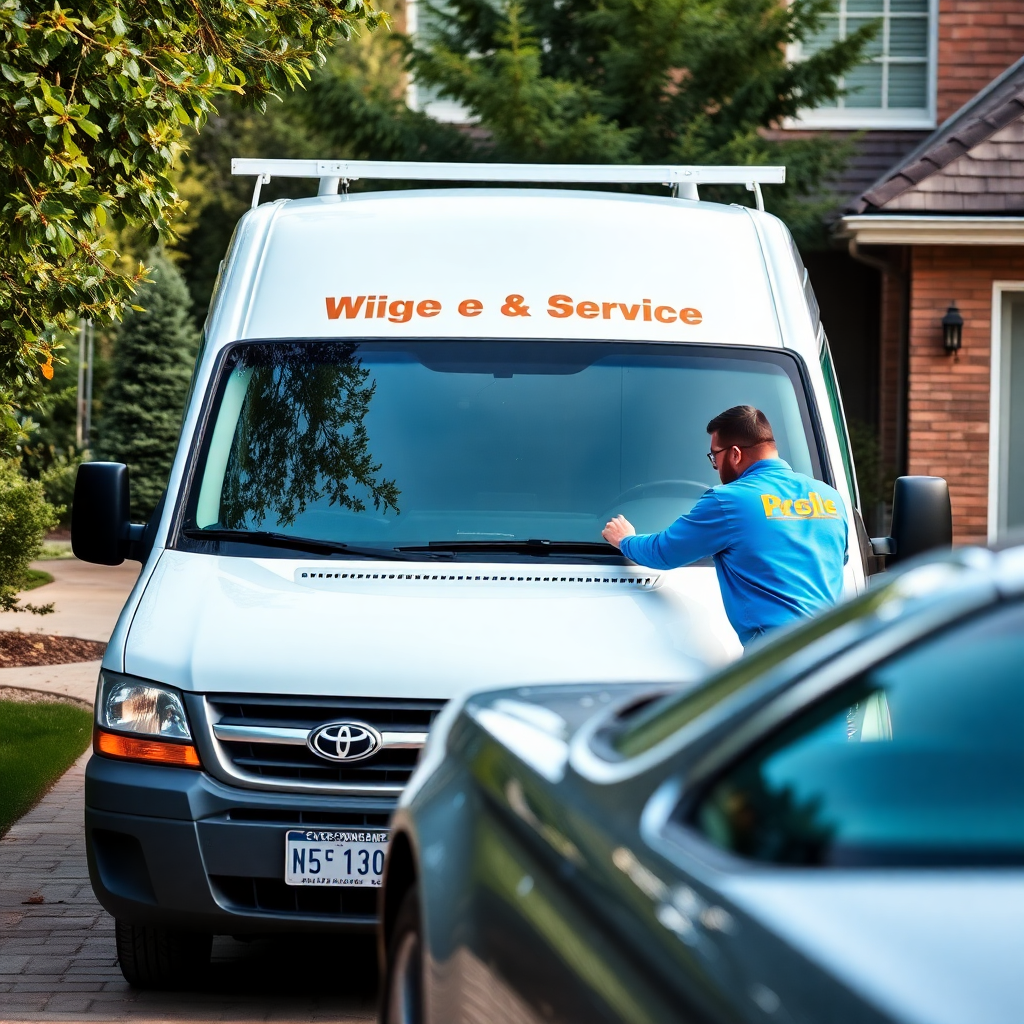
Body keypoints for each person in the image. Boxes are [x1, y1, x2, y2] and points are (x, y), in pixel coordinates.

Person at [602, 405, 848, 646]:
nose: (716, 466)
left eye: (714, 456)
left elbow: (663, 552)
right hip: (836, 651)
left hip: (776, 654)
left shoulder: (728, 500)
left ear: (735, 454)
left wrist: (625, 540)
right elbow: (839, 558)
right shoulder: (830, 497)